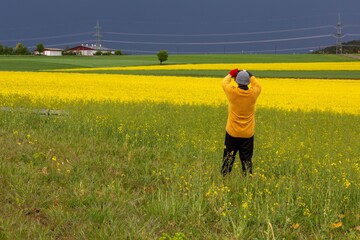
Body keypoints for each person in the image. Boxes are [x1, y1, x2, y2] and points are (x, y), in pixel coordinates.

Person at [221, 68, 261, 177]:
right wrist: (249, 74)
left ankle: (225, 179)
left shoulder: (232, 92)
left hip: (232, 132)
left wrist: (231, 73)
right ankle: (247, 181)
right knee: (246, 160)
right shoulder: (253, 94)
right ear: (248, 82)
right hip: (247, 134)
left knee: (228, 158)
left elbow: (224, 82)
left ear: (236, 81)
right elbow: (258, 85)